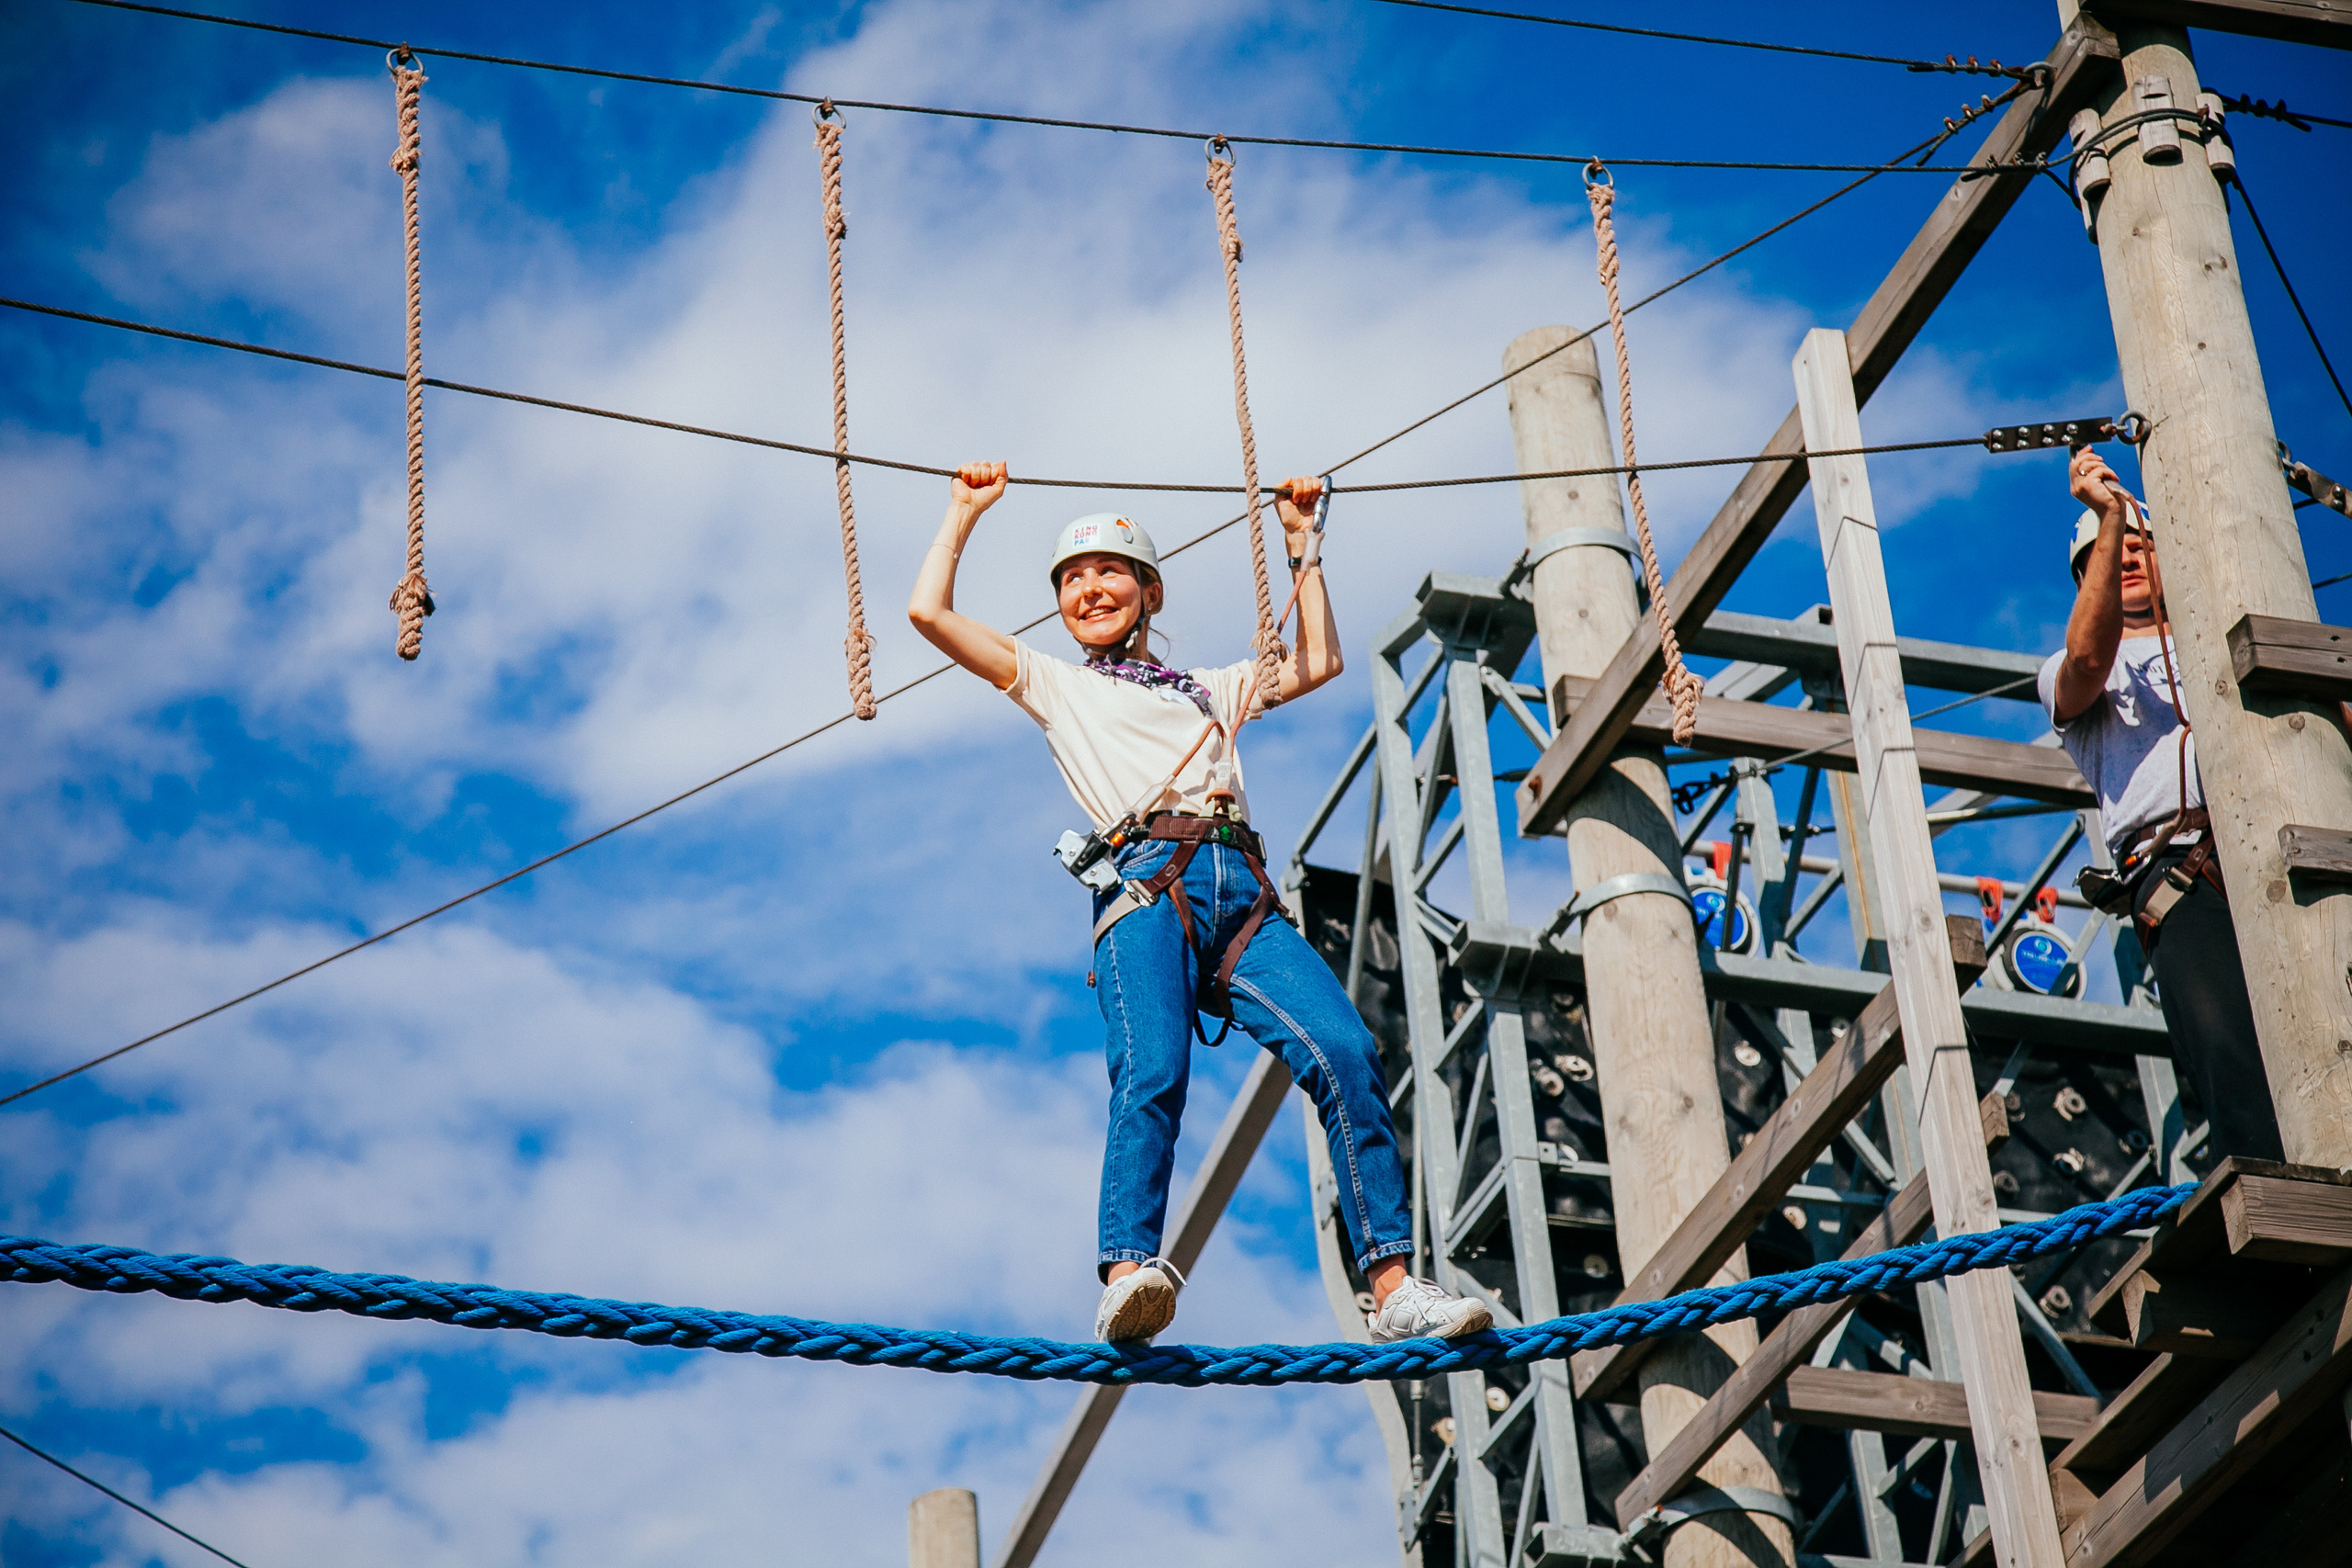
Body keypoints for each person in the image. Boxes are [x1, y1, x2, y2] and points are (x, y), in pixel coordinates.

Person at [908, 459, 1493, 1345]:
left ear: (1148, 591)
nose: (1088, 590)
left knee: (1343, 1047)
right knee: (1153, 1071)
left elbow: (1320, 660)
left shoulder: (1205, 689)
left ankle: (1394, 1284)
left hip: (1241, 891)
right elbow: (931, 616)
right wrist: (961, 515)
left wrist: (1304, 551)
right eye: (1071, 580)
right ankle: (1128, 1269)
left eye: (1108, 572)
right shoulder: (1059, 685)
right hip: (1147, 884)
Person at [2041, 446, 2284, 1162]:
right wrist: (2112, 515)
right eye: (2109, 557)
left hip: (2276, 844)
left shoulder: (2227, 645)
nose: (2129, 559)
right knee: (2233, 1061)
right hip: (2180, 870)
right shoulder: (2077, 667)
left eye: (2144, 546)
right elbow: (2086, 661)